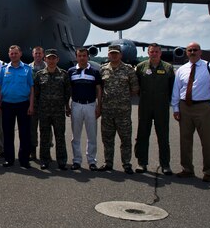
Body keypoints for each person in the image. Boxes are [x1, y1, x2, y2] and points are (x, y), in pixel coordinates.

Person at [172, 42, 210, 182]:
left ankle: (209, 171)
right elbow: (176, 91)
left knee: (207, 141)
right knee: (185, 140)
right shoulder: (181, 70)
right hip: (185, 107)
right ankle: (187, 169)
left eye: (195, 50)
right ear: (186, 52)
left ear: (200, 52)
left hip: (203, 107)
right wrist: (176, 108)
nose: (192, 52)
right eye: (190, 50)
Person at [134, 43, 175, 175]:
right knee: (142, 135)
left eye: (156, 52)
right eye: (152, 52)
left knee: (163, 136)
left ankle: (165, 164)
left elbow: (172, 88)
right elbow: (137, 86)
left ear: (160, 53)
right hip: (145, 106)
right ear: (148, 53)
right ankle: (142, 162)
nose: (154, 54)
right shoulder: (141, 67)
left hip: (161, 106)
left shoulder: (168, 68)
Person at [98, 45, 139, 174]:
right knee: (107, 139)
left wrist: (122, 99)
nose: (114, 55)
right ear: (108, 55)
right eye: (111, 53)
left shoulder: (128, 70)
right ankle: (108, 162)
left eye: (116, 53)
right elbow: (100, 89)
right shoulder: (103, 70)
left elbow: (135, 89)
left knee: (125, 139)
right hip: (107, 112)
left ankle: (126, 163)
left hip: (123, 112)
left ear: (120, 55)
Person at [0, 45, 35, 168]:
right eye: (11, 53)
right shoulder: (3, 69)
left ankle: (24, 160)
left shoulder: (27, 69)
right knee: (7, 133)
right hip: (7, 104)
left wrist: (31, 105)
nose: (13, 55)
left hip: (23, 104)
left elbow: (32, 88)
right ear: (9, 55)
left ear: (20, 54)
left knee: (24, 133)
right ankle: (9, 159)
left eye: (15, 53)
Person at [33, 48, 71, 170]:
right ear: (45, 59)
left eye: (54, 58)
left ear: (57, 59)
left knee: (60, 136)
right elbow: (36, 94)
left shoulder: (64, 74)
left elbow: (67, 92)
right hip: (44, 111)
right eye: (49, 58)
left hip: (58, 111)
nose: (51, 60)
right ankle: (44, 160)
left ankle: (62, 161)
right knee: (44, 136)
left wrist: (65, 106)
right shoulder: (39, 75)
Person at [67, 47, 102, 171]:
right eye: (79, 56)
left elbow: (98, 90)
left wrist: (99, 106)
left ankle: (92, 161)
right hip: (76, 105)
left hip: (90, 105)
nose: (82, 58)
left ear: (88, 57)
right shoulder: (71, 71)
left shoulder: (94, 72)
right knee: (75, 136)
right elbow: (69, 90)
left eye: (84, 56)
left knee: (91, 135)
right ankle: (76, 160)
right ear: (76, 57)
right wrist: (67, 105)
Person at [29, 46, 46, 160]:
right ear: (33, 54)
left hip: (45, 103)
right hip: (32, 102)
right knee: (32, 128)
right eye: (36, 53)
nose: (38, 55)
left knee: (45, 129)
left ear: (43, 54)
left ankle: (46, 152)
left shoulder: (48, 66)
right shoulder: (28, 68)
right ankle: (33, 151)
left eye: (40, 53)